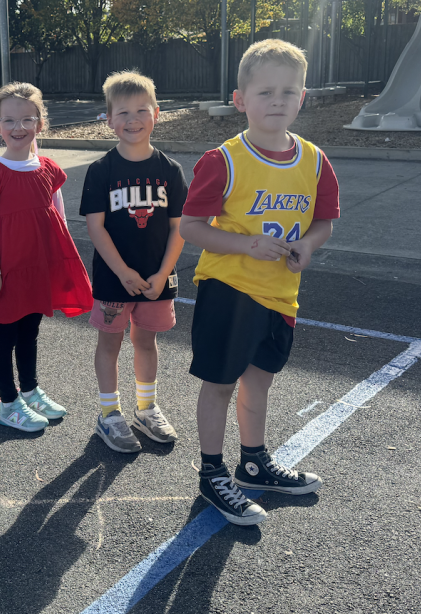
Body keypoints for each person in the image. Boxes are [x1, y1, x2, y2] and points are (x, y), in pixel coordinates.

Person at [179, 39, 340, 526]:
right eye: (265, 92)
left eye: (288, 92)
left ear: (303, 98)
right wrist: (245, 244)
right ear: (240, 99)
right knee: (220, 384)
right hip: (229, 288)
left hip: (280, 294)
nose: (277, 101)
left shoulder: (314, 159)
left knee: (259, 381)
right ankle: (212, 473)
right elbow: (191, 227)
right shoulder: (223, 160)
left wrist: (308, 245)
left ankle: (253, 462)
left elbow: (324, 222)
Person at [0, 82, 93, 432]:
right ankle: (8, 404)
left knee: (30, 332)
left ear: (40, 123)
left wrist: (60, 266)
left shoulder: (49, 169)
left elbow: (59, 221)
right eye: (9, 120)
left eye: (27, 119)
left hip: (39, 269)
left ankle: (30, 391)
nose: (18, 127)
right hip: (9, 273)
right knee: (5, 336)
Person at [80, 71, 188, 453]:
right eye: (123, 112)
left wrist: (163, 273)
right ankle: (109, 414)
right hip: (114, 279)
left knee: (146, 341)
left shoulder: (170, 171)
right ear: (109, 119)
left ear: (156, 114)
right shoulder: (101, 170)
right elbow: (96, 228)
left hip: (156, 279)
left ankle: (146, 408)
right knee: (109, 343)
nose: (133, 119)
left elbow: (179, 228)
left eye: (142, 110)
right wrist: (123, 271)